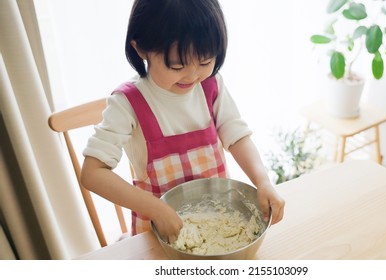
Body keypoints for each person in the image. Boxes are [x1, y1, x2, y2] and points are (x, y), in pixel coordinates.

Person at [81, 0, 284, 243]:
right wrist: (156, 209)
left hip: (218, 222)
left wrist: (262, 180)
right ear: (140, 48)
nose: (193, 75)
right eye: (177, 66)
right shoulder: (128, 104)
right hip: (159, 232)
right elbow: (92, 174)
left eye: (205, 61)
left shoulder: (211, 85)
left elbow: (236, 135)